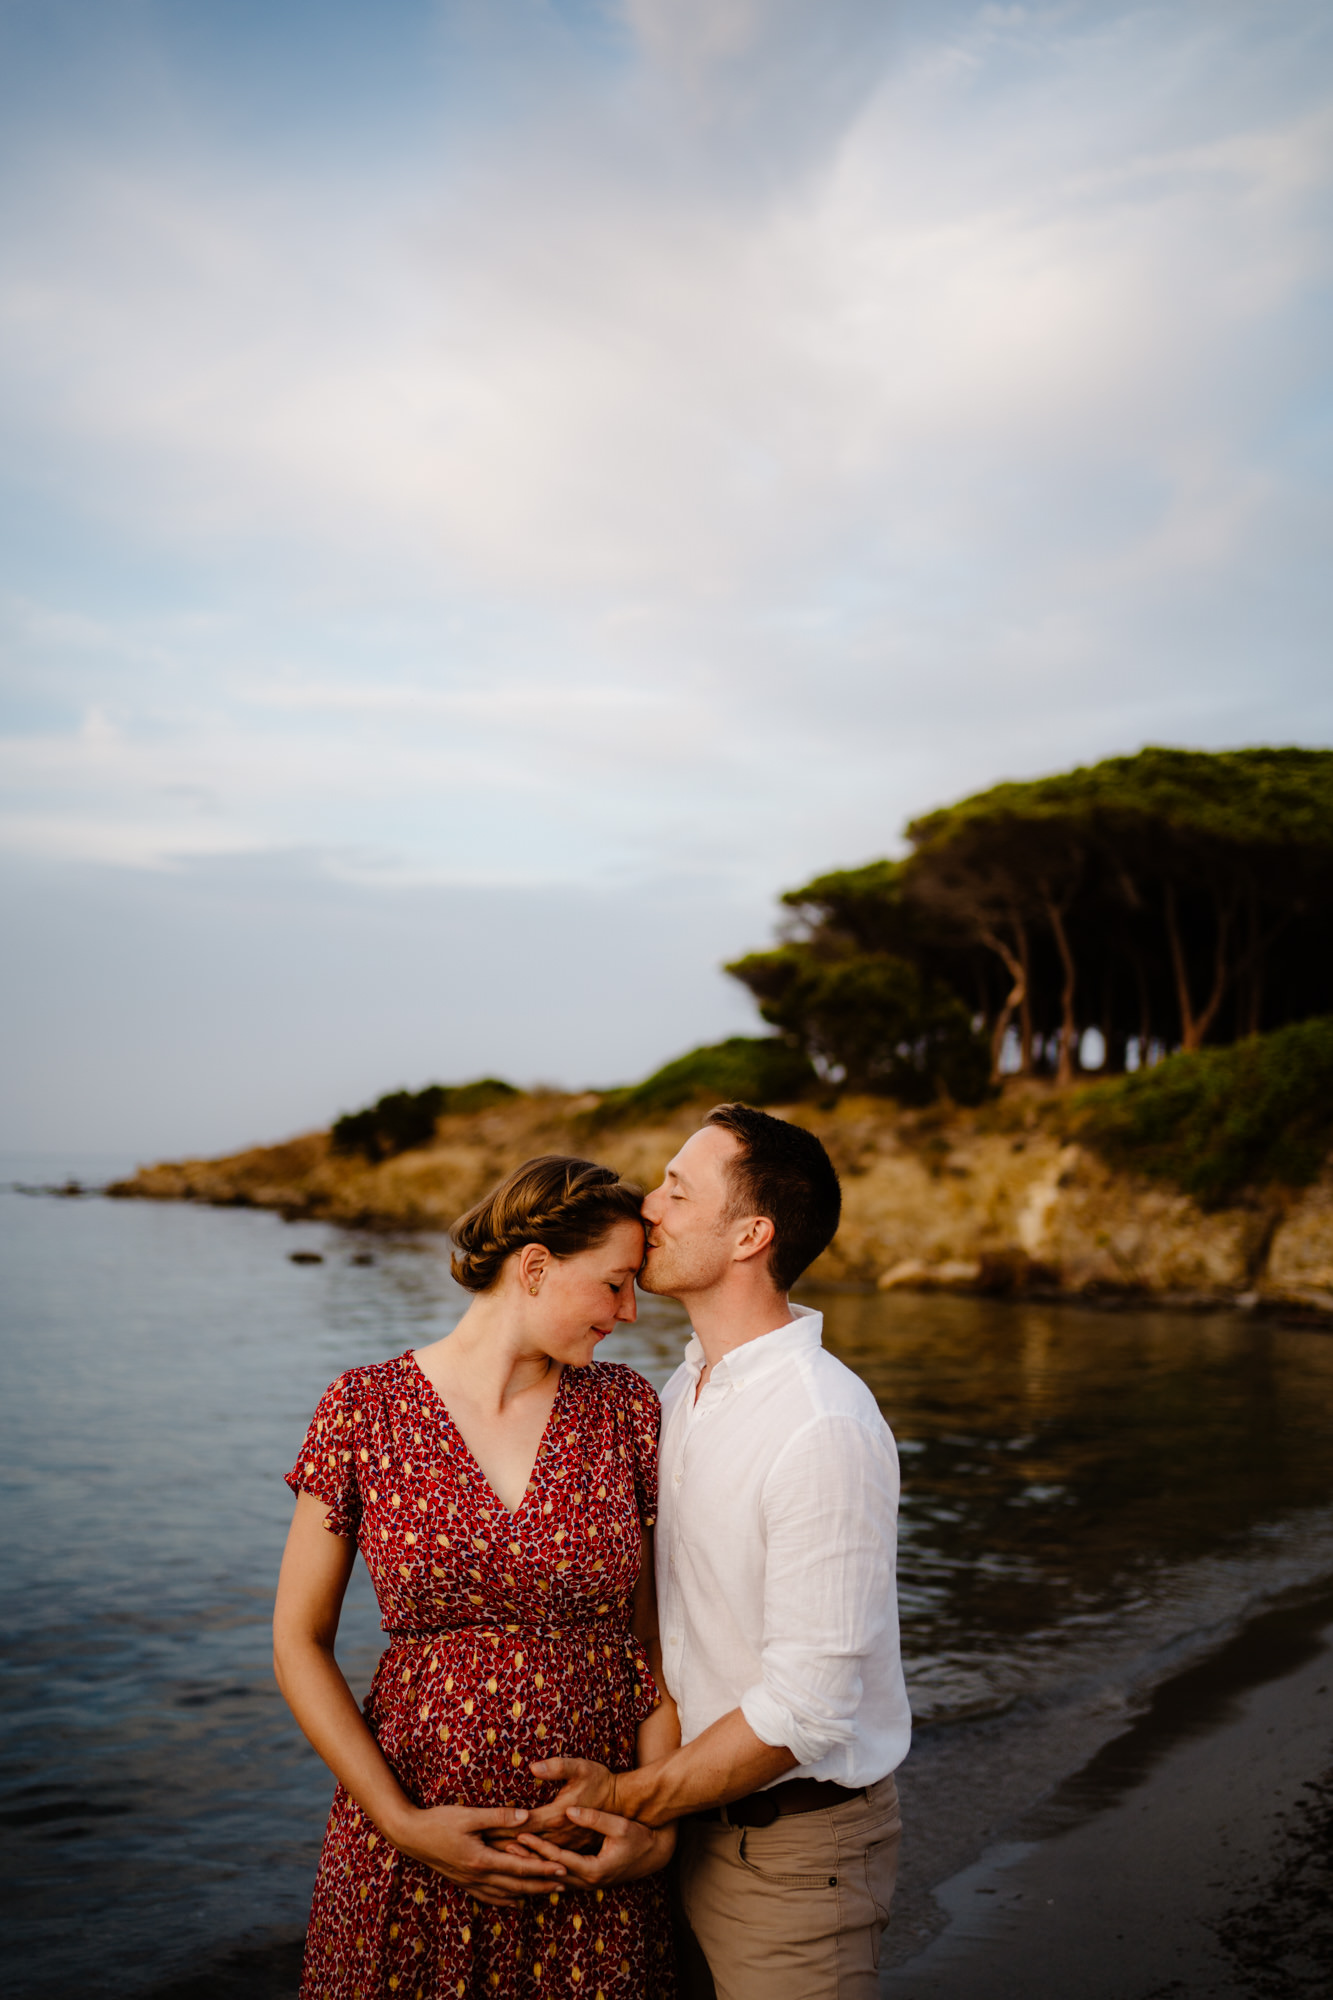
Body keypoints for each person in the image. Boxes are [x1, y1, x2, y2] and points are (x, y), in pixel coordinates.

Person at [521, 1104, 910, 1999]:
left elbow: (806, 1712)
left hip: (788, 1854)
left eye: (676, 1189)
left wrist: (620, 1797)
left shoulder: (821, 1425)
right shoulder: (683, 1389)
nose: (647, 1205)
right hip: (681, 1824)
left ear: (750, 1235)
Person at [273, 1156, 680, 2000]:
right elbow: (297, 1641)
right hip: (409, 1845)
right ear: (534, 1267)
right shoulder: (364, 1408)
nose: (630, 1313)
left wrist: (655, 1826)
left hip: (588, 1862)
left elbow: (651, 1642)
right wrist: (404, 1824)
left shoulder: (627, 1410)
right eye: (614, 1284)